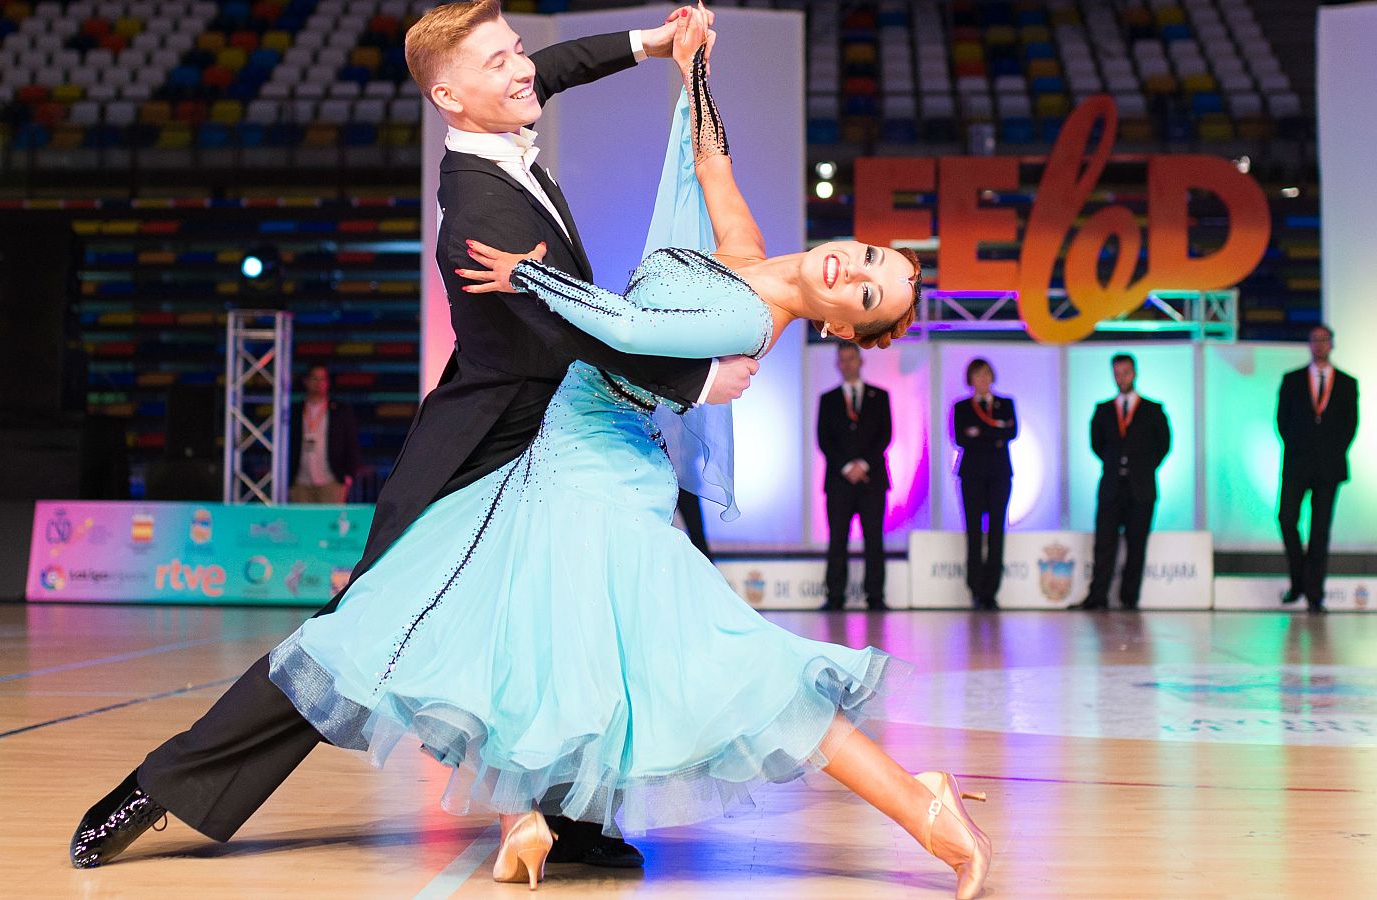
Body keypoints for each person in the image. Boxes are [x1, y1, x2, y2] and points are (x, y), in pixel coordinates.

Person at [68, 0, 756, 872]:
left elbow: (556, 69)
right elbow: (560, 333)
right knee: (349, 638)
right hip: (483, 447)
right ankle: (157, 789)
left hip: (554, 437)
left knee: (563, 622)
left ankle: (570, 818)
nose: (522, 69)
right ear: (449, 96)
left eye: (517, 53)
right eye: (500, 61)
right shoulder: (478, 210)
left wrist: (649, 44)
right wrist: (692, 379)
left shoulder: (494, 115)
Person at [324, 11, 986, 896]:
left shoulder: (749, 317)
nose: (852, 272)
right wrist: (693, 64)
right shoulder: (746, 257)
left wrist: (529, 274)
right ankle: (525, 813)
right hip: (568, 450)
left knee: (713, 659)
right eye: (868, 256)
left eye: (867, 295)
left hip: (595, 470)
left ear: (841, 326)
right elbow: (711, 160)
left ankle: (921, 806)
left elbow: (629, 327)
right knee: (539, 634)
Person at [1071, 353, 1170, 611]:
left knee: (1137, 544)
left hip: (1142, 487)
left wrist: (1144, 467)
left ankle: (1129, 598)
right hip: (1112, 486)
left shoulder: (1153, 409)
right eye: (1116, 373)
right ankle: (1098, 596)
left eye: (1125, 372)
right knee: (1104, 543)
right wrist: (1117, 464)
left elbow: (1164, 445)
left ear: (1134, 373)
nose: (1121, 378)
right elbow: (1097, 444)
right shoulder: (1103, 410)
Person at [1277, 324, 1359, 615]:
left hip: (1329, 466)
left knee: (1320, 530)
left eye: (1324, 340)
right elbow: (1282, 422)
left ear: (1332, 344)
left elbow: (1350, 425)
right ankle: (1298, 579)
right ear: (1309, 344)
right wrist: (1299, 449)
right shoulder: (1293, 380)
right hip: (1297, 464)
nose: (1319, 345)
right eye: (1315, 340)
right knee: (1287, 518)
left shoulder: (1348, 383)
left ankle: (1315, 594)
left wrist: (1332, 452)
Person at [816, 343, 892, 611]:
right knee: (838, 538)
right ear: (838, 364)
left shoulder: (880, 396)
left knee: (874, 538)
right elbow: (824, 440)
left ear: (861, 361)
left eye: (851, 358)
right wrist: (847, 466)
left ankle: (875, 595)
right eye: (842, 360)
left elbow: (885, 436)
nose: (847, 363)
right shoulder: (828, 399)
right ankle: (835, 595)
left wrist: (863, 464)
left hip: (872, 481)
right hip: (839, 481)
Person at [952, 358, 1016, 610]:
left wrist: (979, 433)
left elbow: (1010, 433)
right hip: (972, 475)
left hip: (999, 474)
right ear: (971, 379)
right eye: (978, 375)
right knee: (974, 532)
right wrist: (994, 434)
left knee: (997, 531)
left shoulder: (1005, 404)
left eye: (987, 374)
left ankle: (991, 590)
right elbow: (960, 437)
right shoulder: (962, 407)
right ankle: (976, 588)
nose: (983, 380)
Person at [288, 362, 361, 504]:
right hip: (300, 481)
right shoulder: (294, 410)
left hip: (331, 480)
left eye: (323, 379)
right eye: (315, 378)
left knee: (331, 524)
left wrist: (348, 475)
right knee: (301, 524)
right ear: (306, 381)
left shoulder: (340, 411)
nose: (319, 383)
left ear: (328, 382)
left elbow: (351, 444)